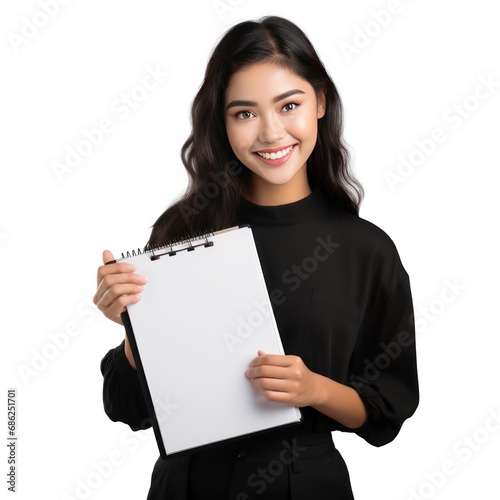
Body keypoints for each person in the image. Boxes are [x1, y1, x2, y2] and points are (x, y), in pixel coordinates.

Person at [94, 15, 419, 500]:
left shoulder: (366, 251)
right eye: (244, 113)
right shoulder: (184, 232)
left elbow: (385, 414)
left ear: (321, 102)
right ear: (221, 123)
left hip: (305, 485)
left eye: (289, 105)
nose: (270, 132)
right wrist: (132, 335)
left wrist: (315, 390)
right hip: (188, 485)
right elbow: (131, 410)